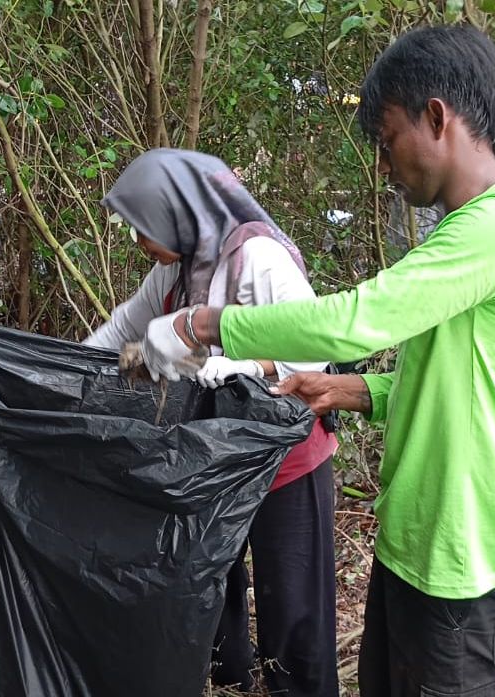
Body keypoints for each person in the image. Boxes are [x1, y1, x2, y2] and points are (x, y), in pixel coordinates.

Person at [133, 26, 495, 697]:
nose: (384, 167)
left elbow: (354, 319)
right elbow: (467, 379)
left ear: (437, 117)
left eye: (387, 140)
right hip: (416, 544)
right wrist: (355, 390)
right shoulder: (468, 233)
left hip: (463, 562)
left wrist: (201, 323)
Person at [84, 148, 340, 696]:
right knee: (210, 583)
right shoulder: (176, 270)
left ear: (178, 214)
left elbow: (314, 355)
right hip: (216, 463)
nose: (138, 242)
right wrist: (64, 372)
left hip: (284, 463)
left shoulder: (257, 259)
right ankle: (232, 676)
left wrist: (232, 366)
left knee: (293, 608)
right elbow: (121, 334)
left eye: (143, 228)